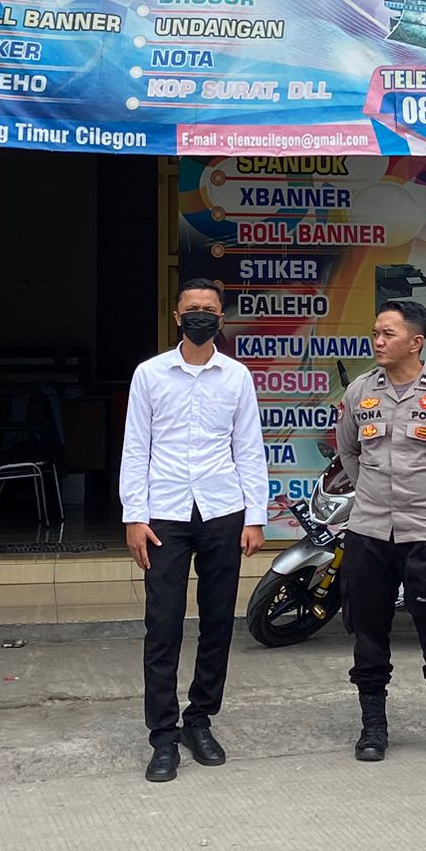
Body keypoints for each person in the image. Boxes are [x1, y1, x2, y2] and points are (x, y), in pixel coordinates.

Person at [121, 278, 268, 783]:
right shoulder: (150, 374)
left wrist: (255, 517)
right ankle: (163, 736)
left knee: (218, 621)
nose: (200, 315)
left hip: (222, 510)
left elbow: (248, 447)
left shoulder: (237, 377)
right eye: (192, 308)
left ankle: (200, 719)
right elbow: (135, 447)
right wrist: (134, 516)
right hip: (164, 514)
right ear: (177, 316)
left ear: (221, 318)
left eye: (209, 309)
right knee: (162, 625)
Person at [335, 299, 426, 764]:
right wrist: (374, 494)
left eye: (388, 334)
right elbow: (348, 452)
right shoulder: (359, 392)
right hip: (369, 531)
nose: (378, 341)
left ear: (416, 342)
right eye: (375, 333)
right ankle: (373, 728)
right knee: (368, 631)